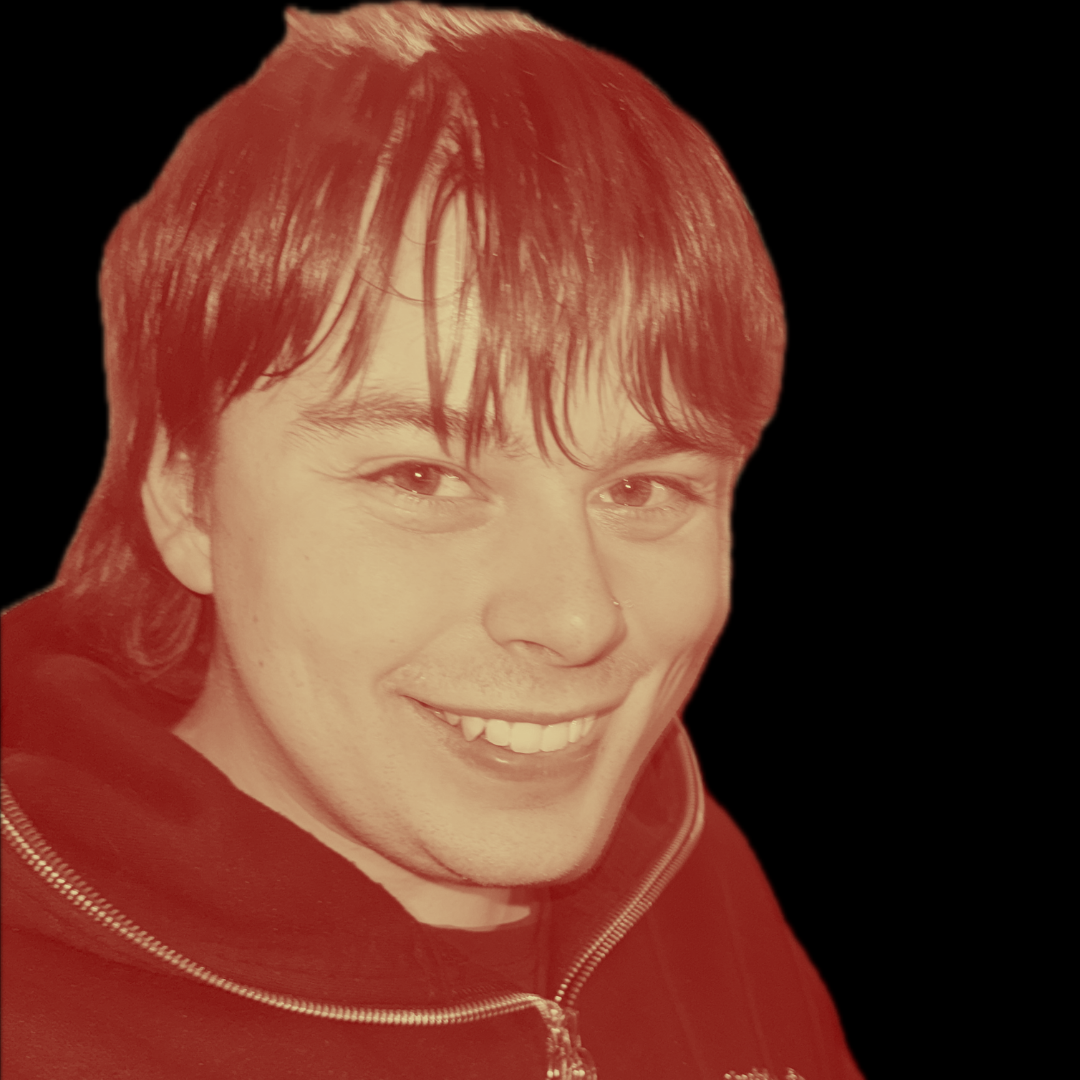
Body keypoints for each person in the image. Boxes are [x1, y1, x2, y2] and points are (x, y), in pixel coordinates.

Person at [1, 4, 864, 1077]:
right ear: (187, 498)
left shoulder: (682, 852)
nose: (577, 620)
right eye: (421, 477)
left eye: (644, 487)